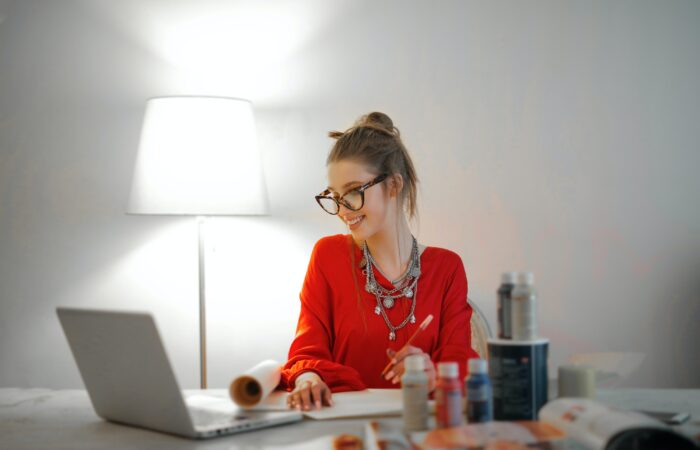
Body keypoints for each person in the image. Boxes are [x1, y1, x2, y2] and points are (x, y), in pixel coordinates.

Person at [280, 112, 478, 411]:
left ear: (394, 186)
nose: (343, 210)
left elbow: (460, 361)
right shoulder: (328, 256)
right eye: (335, 196)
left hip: (420, 429)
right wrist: (307, 378)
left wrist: (432, 371)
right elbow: (306, 351)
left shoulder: (446, 268)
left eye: (354, 192)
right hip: (343, 429)